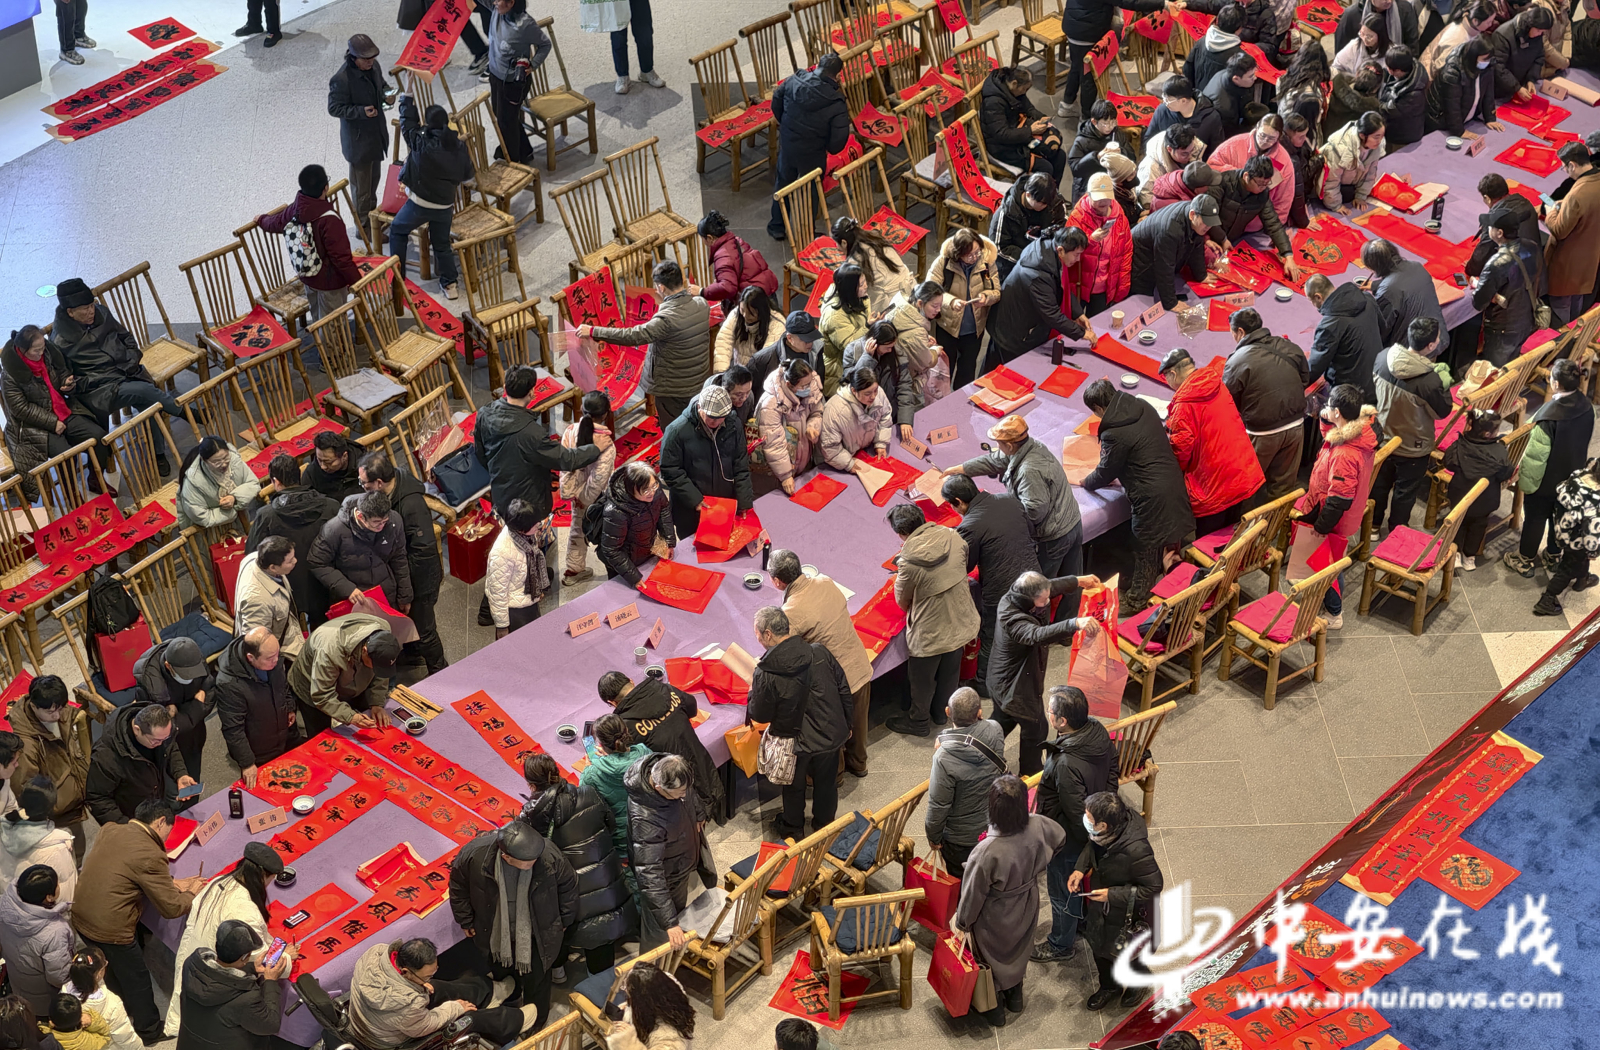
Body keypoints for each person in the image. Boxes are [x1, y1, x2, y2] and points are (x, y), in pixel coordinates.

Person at [70, 800, 203, 1043]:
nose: (166, 838)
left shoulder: (110, 829)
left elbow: (123, 869)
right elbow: (172, 908)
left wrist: (170, 883)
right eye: (168, 830)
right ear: (160, 822)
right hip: (110, 928)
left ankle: (122, 1007)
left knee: (110, 969)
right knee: (137, 979)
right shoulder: (151, 853)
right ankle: (149, 1030)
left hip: (80, 914)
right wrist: (191, 892)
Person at [951, 775, 1065, 1026]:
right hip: (1027, 900)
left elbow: (972, 895)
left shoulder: (986, 851)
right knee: (1019, 949)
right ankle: (1016, 997)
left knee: (990, 957)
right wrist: (1038, 868)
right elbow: (1060, 838)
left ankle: (995, 1009)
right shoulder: (1038, 824)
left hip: (995, 913)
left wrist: (962, 923)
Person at [449, 819, 576, 1028]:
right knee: (503, 975)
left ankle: (536, 1023)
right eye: (528, 861)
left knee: (538, 980)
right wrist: (465, 919)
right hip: (495, 932)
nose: (535, 861)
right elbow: (458, 887)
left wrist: (564, 920)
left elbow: (569, 888)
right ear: (507, 857)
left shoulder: (547, 853)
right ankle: (510, 1010)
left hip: (538, 932)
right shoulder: (475, 855)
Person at [1082, 380, 1195, 612]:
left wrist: (1087, 482)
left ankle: (1137, 600)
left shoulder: (1114, 433)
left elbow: (1106, 471)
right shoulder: (1141, 406)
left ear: (1098, 408)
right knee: (1152, 543)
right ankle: (1140, 584)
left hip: (1151, 496)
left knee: (1146, 547)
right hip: (1170, 480)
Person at [48, 280, 182, 474]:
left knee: (149, 402)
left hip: (125, 371)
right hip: (98, 391)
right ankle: (183, 411)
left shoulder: (101, 313)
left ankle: (158, 453)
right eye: (85, 308)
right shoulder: (59, 341)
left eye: (92, 305)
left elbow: (127, 338)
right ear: (70, 312)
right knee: (144, 391)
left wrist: (131, 360)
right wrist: (75, 383)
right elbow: (71, 381)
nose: (91, 311)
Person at [520, 753, 634, 977]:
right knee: (600, 935)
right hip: (604, 879)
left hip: (565, 892)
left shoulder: (530, 815)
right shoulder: (588, 793)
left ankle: (559, 971)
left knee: (555, 926)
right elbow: (610, 824)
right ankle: (601, 983)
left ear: (531, 785)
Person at [1031, 687, 1118, 963]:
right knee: (1075, 886)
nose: (1048, 714)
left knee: (1062, 891)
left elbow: (1074, 813)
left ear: (1062, 721)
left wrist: (1086, 843)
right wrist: (1106, 804)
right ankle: (1079, 922)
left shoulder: (1066, 762)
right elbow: (1113, 767)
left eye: (1050, 711)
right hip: (1090, 829)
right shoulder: (1096, 730)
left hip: (1068, 838)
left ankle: (1060, 944)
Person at [748, 607, 852, 836]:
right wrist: (847, 724)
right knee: (827, 785)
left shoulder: (765, 672)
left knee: (793, 788)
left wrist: (752, 692)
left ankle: (793, 829)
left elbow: (760, 715)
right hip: (830, 733)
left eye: (757, 634)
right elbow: (843, 688)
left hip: (794, 741)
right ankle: (824, 828)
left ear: (768, 634)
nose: (757, 638)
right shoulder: (819, 651)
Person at [769, 550, 873, 779]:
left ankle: (834, 778)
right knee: (858, 721)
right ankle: (859, 764)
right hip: (859, 665)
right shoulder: (825, 581)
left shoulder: (790, 611)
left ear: (776, 581)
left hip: (833, 683)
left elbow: (782, 651)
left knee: (832, 730)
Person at [164, 843, 281, 1038]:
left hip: (194, 958)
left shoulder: (219, 881)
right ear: (263, 876)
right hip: (217, 976)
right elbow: (258, 958)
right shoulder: (245, 910)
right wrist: (285, 957)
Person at [988, 572, 1098, 776]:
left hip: (1001, 680)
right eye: (1043, 600)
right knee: (1036, 729)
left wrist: (1078, 581)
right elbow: (1036, 634)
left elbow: (1049, 587)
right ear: (1029, 599)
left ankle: (981, 755)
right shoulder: (1012, 618)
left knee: (1001, 722)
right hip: (1015, 688)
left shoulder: (1018, 595)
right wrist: (1074, 623)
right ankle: (1031, 773)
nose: (1047, 602)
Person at [887, 504, 981, 738]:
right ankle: (942, 713)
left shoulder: (908, 562)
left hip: (929, 630)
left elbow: (902, 598)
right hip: (960, 618)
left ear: (901, 533)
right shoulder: (954, 537)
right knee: (951, 671)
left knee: (922, 679)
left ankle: (918, 721)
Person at [581, 262, 711, 429]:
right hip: (698, 379)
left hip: (672, 387)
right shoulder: (702, 304)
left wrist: (593, 331)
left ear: (661, 288)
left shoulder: (666, 319)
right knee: (695, 420)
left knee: (674, 429)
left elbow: (632, 335)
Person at [950, 414, 1083, 578]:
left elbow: (1034, 511)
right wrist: (961, 469)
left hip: (1055, 535)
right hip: (1071, 521)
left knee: (1040, 585)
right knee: (1075, 579)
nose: (997, 447)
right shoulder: (1031, 446)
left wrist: (1005, 521)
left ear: (1009, 445)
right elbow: (995, 460)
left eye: (999, 443)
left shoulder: (1029, 471)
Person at [941, 474, 1040, 692]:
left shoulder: (970, 525)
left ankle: (984, 684)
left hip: (1003, 589)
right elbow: (1030, 533)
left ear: (958, 502)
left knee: (991, 635)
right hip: (1033, 577)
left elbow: (966, 565)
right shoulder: (1009, 499)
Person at [1296, 384, 1380, 628]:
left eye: (1329, 406)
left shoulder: (1345, 454)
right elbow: (1331, 436)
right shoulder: (1360, 431)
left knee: (1330, 564)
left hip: (1334, 516)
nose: (1325, 408)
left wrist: (1320, 527)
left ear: (1339, 413)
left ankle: (1334, 613)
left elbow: (1338, 500)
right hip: (1342, 507)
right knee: (1327, 559)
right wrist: (1326, 419)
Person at [1071, 791, 1163, 1010]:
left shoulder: (1137, 851)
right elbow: (1092, 846)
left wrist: (1112, 895)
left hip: (1125, 914)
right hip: (1101, 908)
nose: (1085, 820)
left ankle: (1138, 984)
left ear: (1103, 825)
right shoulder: (1104, 833)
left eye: (1089, 818)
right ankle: (1109, 987)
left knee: (1128, 954)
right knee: (1099, 947)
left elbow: (1153, 887)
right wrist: (1080, 869)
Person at [476, 364, 602, 522]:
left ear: (505, 387)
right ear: (531, 393)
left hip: (500, 495)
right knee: (533, 534)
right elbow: (567, 459)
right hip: (530, 506)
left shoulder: (484, 414)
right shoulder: (531, 434)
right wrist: (596, 448)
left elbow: (481, 455)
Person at [1159, 348, 1265, 535]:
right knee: (1232, 535)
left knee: (1209, 541)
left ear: (1172, 374)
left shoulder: (1184, 404)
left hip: (1213, 487)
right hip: (1242, 472)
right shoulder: (1217, 384)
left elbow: (1180, 453)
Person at [348, 937, 524, 1048]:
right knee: (467, 1018)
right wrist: (455, 1008)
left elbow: (410, 991)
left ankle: (488, 991)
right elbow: (426, 1024)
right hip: (387, 1041)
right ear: (405, 972)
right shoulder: (408, 1006)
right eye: (426, 975)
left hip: (375, 1019)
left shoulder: (377, 954)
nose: (429, 977)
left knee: (438, 987)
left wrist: (422, 984)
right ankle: (515, 1021)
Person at [1, 326, 111, 501]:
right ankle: (72, 496)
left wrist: (66, 381)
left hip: (62, 410)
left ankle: (95, 478)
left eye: (43, 347)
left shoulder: (48, 353)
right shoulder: (11, 374)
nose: (41, 353)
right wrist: (52, 422)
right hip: (34, 426)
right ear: (23, 350)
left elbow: (62, 370)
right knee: (66, 455)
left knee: (98, 436)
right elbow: (20, 408)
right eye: (36, 350)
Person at [358, 453, 445, 669]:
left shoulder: (410, 504)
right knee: (408, 623)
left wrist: (406, 588)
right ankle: (413, 655)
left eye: (364, 484)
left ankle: (440, 669)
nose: (362, 488)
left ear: (379, 483)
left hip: (421, 579)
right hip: (406, 576)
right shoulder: (390, 491)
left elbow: (422, 551)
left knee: (425, 630)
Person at [597, 672, 723, 822]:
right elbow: (691, 707)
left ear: (612, 702)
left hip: (672, 787)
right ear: (631, 681)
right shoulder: (665, 689)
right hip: (702, 765)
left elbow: (629, 759)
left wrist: (609, 754)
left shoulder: (624, 726)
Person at [1507, 358, 1593, 577]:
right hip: (1572, 477)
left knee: (1535, 518)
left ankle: (1525, 559)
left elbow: (1536, 458)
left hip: (1546, 481)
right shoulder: (1586, 406)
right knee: (1560, 517)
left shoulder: (1548, 416)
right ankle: (1553, 555)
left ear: (1555, 383)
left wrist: (1527, 485)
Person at [1371, 317, 1454, 534]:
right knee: (1405, 492)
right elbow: (1442, 411)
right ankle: (1396, 532)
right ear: (1431, 345)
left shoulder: (1383, 357)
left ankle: (1373, 526)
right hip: (1413, 446)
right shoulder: (1430, 382)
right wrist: (1443, 384)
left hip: (1383, 438)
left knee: (1379, 485)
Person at [257, 165, 361, 338]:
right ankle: (332, 354)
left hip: (308, 276)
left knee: (318, 317)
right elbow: (341, 259)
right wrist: (357, 282)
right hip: (330, 282)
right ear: (325, 187)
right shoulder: (329, 219)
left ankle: (321, 347)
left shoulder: (296, 208)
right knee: (333, 324)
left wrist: (261, 219)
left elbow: (276, 223)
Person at [389, 94, 474, 301]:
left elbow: (407, 124)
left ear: (427, 123)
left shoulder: (421, 141)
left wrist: (407, 96)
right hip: (445, 204)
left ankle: (398, 280)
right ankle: (450, 284)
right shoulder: (458, 145)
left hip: (420, 203)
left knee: (397, 230)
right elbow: (467, 174)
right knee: (441, 243)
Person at [1220, 309, 1309, 507]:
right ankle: (1276, 522)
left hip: (1262, 431)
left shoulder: (1237, 360)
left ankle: (1248, 524)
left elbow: (1228, 400)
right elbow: (1305, 378)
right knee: (1284, 484)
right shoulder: (1289, 346)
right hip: (1296, 423)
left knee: (1249, 485)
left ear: (1240, 332)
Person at [247, 455, 340, 628]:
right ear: (299, 475)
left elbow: (253, 556)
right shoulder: (332, 506)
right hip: (328, 585)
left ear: (276, 481)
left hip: (286, 591)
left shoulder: (266, 516)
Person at [766, 52, 851, 240]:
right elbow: (839, 139)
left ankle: (777, 226)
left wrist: (786, 126)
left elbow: (776, 101)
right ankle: (807, 233)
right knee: (811, 191)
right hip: (813, 151)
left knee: (783, 182)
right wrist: (827, 147)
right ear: (837, 75)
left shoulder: (793, 80)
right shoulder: (835, 102)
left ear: (818, 66)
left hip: (789, 144)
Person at [625, 754, 704, 950]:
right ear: (659, 788)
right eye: (679, 793)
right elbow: (649, 872)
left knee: (678, 915)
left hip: (679, 865)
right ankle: (655, 967)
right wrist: (669, 922)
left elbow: (689, 794)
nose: (684, 795)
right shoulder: (645, 818)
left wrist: (698, 811)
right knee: (659, 934)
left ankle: (674, 953)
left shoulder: (670, 770)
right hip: (666, 878)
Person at [925, 688, 1006, 878]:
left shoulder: (944, 757)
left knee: (962, 880)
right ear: (980, 712)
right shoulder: (995, 729)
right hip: (993, 825)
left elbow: (939, 804)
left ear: (947, 712)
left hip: (960, 838)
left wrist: (933, 836)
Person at [174, 920, 291, 1050]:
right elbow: (270, 1025)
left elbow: (221, 974)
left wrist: (252, 968)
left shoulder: (192, 965)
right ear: (244, 957)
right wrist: (270, 981)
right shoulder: (246, 999)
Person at [8, 679, 90, 862]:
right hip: (56, 806)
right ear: (34, 706)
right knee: (64, 852)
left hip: (72, 792)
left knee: (79, 842)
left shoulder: (56, 708)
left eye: (61, 708)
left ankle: (78, 864)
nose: (57, 715)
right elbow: (25, 789)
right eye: (51, 712)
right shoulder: (26, 747)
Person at [657, 384, 752, 537]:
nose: (716, 422)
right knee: (691, 546)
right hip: (690, 507)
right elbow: (670, 470)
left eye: (721, 417)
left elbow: (741, 463)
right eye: (711, 417)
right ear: (699, 407)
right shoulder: (677, 431)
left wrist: (744, 501)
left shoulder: (733, 424)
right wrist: (695, 500)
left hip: (723, 503)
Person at [987, 227, 1092, 363]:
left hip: (1018, 322)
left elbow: (1061, 287)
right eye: (1076, 254)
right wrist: (1082, 333)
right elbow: (1052, 314)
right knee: (1001, 370)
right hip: (1013, 332)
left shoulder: (1050, 250)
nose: (1078, 259)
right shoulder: (1038, 274)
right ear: (1061, 250)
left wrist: (1078, 313)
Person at [286, 614, 400, 736]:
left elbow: (381, 674)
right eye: (376, 666)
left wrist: (376, 703)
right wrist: (351, 717)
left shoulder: (384, 635)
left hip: (350, 676)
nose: (377, 670)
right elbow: (322, 696)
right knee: (323, 736)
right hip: (312, 685)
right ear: (365, 651)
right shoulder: (330, 650)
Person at [214, 628, 301, 786]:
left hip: (286, 735)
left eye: (277, 654)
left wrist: (289, 707)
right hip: (260, 751)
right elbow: (233, 729)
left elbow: (283, 686)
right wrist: (247, 763)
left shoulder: (272, 658)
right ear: (251, 657)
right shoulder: (228, 684)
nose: (276, 660)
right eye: (270, 658)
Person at [84, 704, 193, 826]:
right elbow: (97, 798)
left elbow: (170, 748)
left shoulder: (158, 731)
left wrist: (180, 773)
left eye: (165, 738)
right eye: (156, 741)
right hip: (130, 817)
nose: (161, 743)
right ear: (137, 730)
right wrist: (127, 826)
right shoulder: (106, 757)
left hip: (155, 805)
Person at [308, 488, 413, 614]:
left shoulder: (394, 520)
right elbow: (316, 562)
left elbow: (399, 558)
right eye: (376, 522)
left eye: (385, 521)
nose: (382, 526)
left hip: (386, 594)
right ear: (360, 516)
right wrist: (346, 588)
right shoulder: (333, 530)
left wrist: (405, 596)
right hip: (354, 599)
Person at [579, 716, 651, 884]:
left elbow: (582, 801)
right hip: (652, 827)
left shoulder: (593, 773)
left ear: (601, 744)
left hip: (622, 841)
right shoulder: (645, 752)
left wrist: (588, 767)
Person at [130, 636, 212, 783]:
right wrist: (196, 706)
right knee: (169, 784)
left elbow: (211, 690)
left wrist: (181, 712)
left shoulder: (193, 657)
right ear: (168, 666)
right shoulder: (150, 683)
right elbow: (159, 728)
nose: (190, 678)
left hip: (194, 736)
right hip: (164, 744)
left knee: (193, 777)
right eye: (185, 675)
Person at [327, 35, 391, 221]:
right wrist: (361, 112)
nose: (371, 62)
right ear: (354, 57)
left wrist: (388, 94)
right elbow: (334, 108)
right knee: (362, 191)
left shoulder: (374, 67)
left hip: (376, 136)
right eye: (366, 59)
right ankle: (363, 227)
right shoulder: (341, 79)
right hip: (358, 143)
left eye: (373, 58)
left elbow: (382, 85)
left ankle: (373, 222)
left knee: (373, 183)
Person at [927, 228, 1001, 388]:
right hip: (947, 327)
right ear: (958, 253)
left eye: (977, 252)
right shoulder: (944, 262)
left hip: (974, 330)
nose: (975, 257)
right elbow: (930, 290)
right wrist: (951, 301)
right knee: (943, 371)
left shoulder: (987, 262)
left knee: (967, 372)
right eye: (969, 254)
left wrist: (986, 297)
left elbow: (996, 291)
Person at [1442, 409, 1515, 572]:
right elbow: (1505, 473)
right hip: (1485, 500)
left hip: (1459, 496)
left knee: (1458, 523)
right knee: (1478, 526)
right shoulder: (1499, 452)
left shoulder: (1459, 446)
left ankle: (1455, 553)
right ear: (1488, 434)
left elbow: (1448, 463)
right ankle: (1470, 556)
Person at [1472, 212, 1546, 366]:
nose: (1487, 229)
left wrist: (1477, 285)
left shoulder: (1496, 263)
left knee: (1495, 371)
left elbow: (1478, 302)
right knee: (1511, 363)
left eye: (1490, 226)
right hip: (1527, 318)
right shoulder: (1532, 246)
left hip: (1503, 328)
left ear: (1499, 233)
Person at [0, 866, 74, 1017]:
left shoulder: (4, 904)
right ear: (49, 897)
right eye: (57, 884)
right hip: (44, 1000)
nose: (60, 885)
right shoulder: (54, 931)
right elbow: (58, 977)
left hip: (17, 982)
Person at [485, 0, 550, 167]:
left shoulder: (525, 24)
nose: (494, 2)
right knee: (501, 114)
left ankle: (514, 162)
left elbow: (545, 44)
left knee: (506, 121)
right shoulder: (496, 9)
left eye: (498, 0)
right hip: (495, 74)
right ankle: (524, 150)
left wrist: (533, 65)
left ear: (511, 3)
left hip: (513, 83)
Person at [1211, 159, 1300, 279]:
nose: (1263, 188)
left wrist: (1288, 256)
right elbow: (1208, 215)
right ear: (1246, 176)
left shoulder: (1262, 194)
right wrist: (1222, 238)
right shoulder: (1223, 182)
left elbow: (1273, 223)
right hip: (1208, 237)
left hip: (1233, 241)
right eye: (1260, 184)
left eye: (1267, 184)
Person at [1533, 458, 1600, 616]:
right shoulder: (1595, 501)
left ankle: (1582, 579)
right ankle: (1547, 599)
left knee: (1578, 560)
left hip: (1563, 529)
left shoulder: (1578, 476)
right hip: (1577, 540)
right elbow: (1592, 530)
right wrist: (1593, 551)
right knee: (1568, 568)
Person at [980, 64, 1066, 183]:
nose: (1025, 92)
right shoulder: (993, 102)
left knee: (1060, 156)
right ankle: (1039, 192)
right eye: (1025, 89)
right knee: (1046, 168)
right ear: (1014, 83)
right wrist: (1030, 131)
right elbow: (1001, 134)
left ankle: (1053, 192)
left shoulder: (1012, 89)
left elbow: (1028, 108)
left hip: (1018, 135)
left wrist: (1041, 118)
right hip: (1002, 147)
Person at [1544, 142, 1600, 324]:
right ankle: (1574, 334)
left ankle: (1564, 338)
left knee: (1561, 310)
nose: (1565, 172)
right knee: (1577, 303)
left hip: (1568, 265)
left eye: (1564, 168)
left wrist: (1550, 211)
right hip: (1589, 258)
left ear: (1572, 165)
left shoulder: (1577, 195)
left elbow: (1559, 231)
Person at [1131, 194, 1219, 310]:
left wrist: (1201, 275)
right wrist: (1171, 302)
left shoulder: (1193, 217)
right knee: (1142, 299)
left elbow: (1196, 245)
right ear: (1192, 215)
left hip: (1156, 255)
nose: (1209, 226)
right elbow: (1164, 266)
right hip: (1140, 263)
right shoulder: (1170, 230)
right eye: (1206, 222)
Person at [1305, 276, 1384, 403]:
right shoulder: (1367, 299)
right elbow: (1383, 328)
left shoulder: (1330, 324)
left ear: (1318, 297)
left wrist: (1294, 384)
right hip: (1379, 377)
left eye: (1311, 301)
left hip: (1352, 394)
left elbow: (1315, 366)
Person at [596, 462, 676, 588]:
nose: (652, 492)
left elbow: (663, 509)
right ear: (631, 489)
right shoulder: (615, 512)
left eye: (654, 485)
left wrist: (669, 541)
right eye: (645, 490)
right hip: (624, 562)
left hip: (646, 550)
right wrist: (633, 577)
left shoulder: (655, 491)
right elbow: (611, 550)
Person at [1206, 114, 1295, 227]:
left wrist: (1277, 225)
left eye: (1271, 138)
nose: (1265, 141)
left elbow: (1284, 199)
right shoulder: (1234, 144)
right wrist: (1239, 174)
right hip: (1225, 214)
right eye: (1262, 135)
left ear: (1279, 137)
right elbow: (1211, 167)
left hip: (1257, 223)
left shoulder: (1283, 161)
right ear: (1257, 128)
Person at [1065, 173, 1133, 316]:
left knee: (1098, 323)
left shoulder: (1120, 218)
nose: (1103, 202)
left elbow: (1126, 254)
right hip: (1078, 284)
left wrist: (1122, 288)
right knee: (1073, 321)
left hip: (1105, 288)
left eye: (1107, 197)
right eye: (1098, 198)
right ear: (1088, 195)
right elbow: (1066, 252)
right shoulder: (1077, 217)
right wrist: (1090, 240)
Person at [754, 359, 825, 494]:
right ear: (789, 385)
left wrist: (812, 426)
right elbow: (773, 441)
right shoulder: (772, 403)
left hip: (802, 463)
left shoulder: (811, 390)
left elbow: (817, 412)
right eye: (804, 386)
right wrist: (785, 475)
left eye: (810, 383)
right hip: (776, 473)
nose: (809, 388)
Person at [0, 780, 76, 905]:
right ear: (52, 808)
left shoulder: (3, 830)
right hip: (39, 915)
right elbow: (64, 898)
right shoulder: (58, 849)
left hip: (7, 908)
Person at [485, 498, 551, 636]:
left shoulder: (524, 536)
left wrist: (538, 589)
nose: (539, 525)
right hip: (515, 610)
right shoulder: (501, 553)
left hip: (528, 598)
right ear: (521, 529)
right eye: (534, 524)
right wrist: (502, 626)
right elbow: (497, 593)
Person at [1362, 238, 1443, 347]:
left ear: (1374, 266)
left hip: (1412, 350)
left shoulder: (1387, 291)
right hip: (1438, 337)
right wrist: (1376, 285)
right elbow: (1403, 283)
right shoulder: (1417, 266)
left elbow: (1379, 332)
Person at [233, 537, 302, 664]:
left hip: (286, 628)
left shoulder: (254, 557)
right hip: (280, 653)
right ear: (273, 568)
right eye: (290, 561)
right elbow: (257, 647)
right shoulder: (257, 601)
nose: (295, 561)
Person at [691, 211, 777, 308]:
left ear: (709, 238)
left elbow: (728, 288)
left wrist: (702, 291)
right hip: (767, 290)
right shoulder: (735, 240)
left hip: (756, 302)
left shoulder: (723, 257)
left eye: (702, 238)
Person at [832, 218, 915, 318]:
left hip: (894, 306)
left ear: (844, 243)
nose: (836, 246)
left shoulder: (854, 262)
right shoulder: (874, 236)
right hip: (913, 290)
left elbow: (848, 291)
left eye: (836, 243)